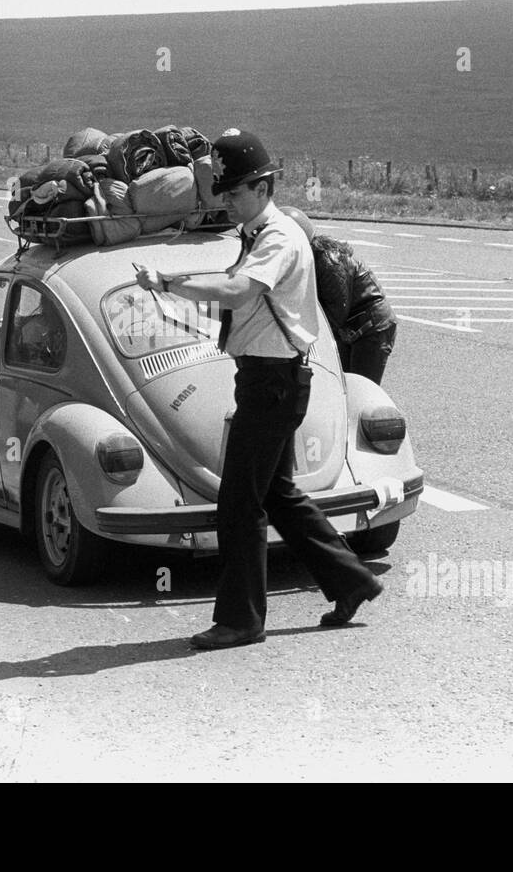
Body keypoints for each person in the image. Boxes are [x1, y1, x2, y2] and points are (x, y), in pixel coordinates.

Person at [135, 129, 383, 650]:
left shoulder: (277, 238)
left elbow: (238, 290)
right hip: (267, 379)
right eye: (222, 192)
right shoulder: (257, 232)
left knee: (239, 502)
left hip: (273, 382)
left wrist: (168, 284)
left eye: (235, 190)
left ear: (263, 187)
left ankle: (241, 620)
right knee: (277, 494)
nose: (226, 199)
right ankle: (350, 581)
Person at [284, 207, 398, 383]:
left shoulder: (329, 260)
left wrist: (303, 337)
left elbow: (336, 311)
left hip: (371, 328)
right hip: (351, 329)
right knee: (342, 384)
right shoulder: (306, 259)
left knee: (361, 386)